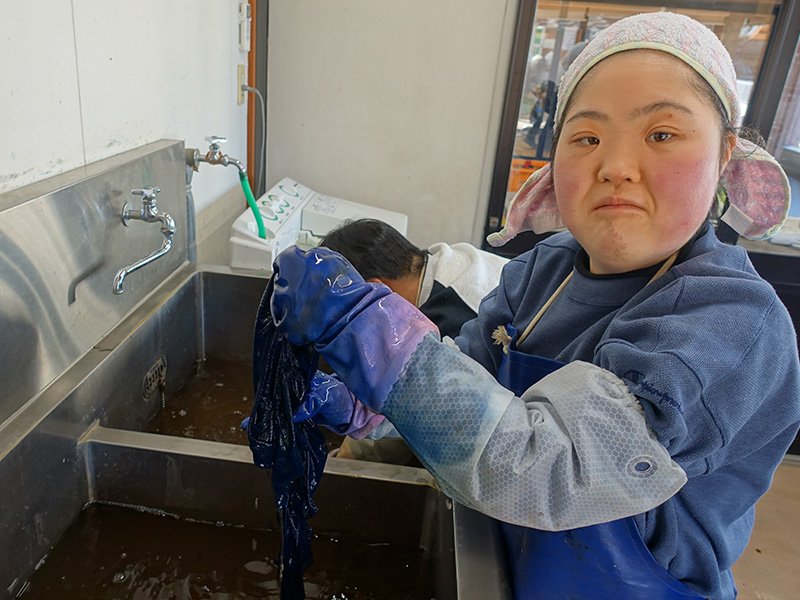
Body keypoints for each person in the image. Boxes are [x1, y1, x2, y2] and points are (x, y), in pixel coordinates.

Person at [267, 12, 800, 600]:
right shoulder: (543, 273)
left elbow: (551, 470)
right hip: (509, 562)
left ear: (725, 153)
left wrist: (367, 330)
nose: (615, 167)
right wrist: (360, 405)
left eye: (661, 134)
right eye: (587, 138)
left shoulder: (730, 323)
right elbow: (463, 389)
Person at [319, 218, 508, 463]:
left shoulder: (452, 322)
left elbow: (422, 410)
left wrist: (342, 462)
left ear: (374, 288)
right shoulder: (440, 260)